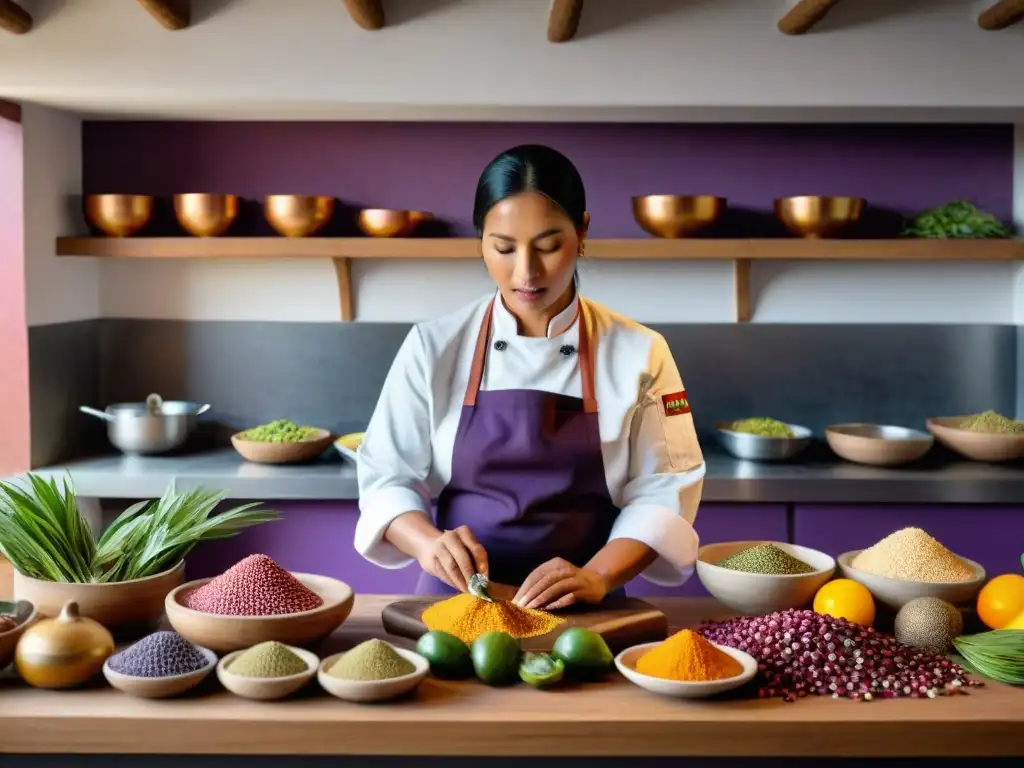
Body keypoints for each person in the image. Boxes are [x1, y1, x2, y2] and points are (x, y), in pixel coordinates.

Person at [354, 144, 705, 611]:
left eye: (548, 246)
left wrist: (598, 576)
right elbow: (384, 477)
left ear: (582, 231)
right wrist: (426, 545)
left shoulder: (641, 351)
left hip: (585, 605)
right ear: (481, 241)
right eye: (503, 247)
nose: (527, 272)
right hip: (459, 600)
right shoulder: (433, 346)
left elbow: (666, 487)